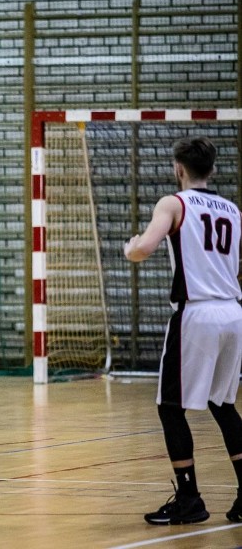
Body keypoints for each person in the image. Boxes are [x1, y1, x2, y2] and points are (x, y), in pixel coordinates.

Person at [124, 136, 242, 525]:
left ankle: (189, 498)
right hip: (233, 312)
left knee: (169, 407)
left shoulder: (174, 203)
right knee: (223, 405)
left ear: (179, 168)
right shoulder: (232, 209)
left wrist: (131, 248)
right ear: (213, 169)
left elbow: (146, 248)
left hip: (197, 315)